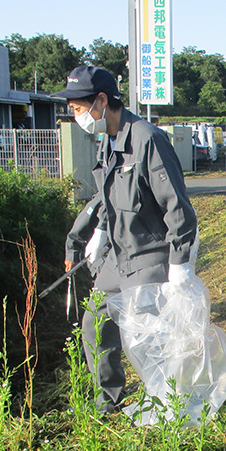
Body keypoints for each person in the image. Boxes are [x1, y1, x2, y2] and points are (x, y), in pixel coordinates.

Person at [57, 65, 198, 414]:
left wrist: (180, 264)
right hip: (117, 255)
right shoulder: (107, 142)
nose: (77, 118)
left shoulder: (147, 139)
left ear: (101, 101)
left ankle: (169, 406)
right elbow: (108, 197)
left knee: (149, 337)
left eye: (78, 109)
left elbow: (177, 205)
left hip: (151, 254)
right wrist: (99, 232)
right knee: (94, 322)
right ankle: (107, 402)